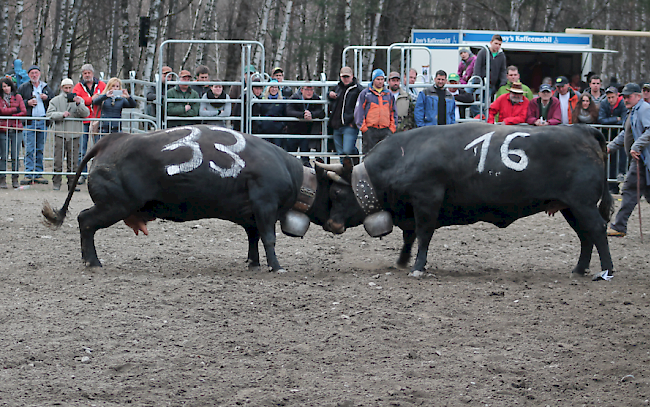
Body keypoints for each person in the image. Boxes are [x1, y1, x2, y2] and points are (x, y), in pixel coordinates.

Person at [606, 83, 650, 237]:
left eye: (628, 96)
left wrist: (637, 146)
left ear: (638, 96)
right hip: (641, 161)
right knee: (631, 191)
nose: (625, 99)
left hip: (644, 160)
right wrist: (610, 147)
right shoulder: (633, 111)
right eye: (623, 96)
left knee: (630, 191)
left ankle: (619, 226)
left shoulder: (644, 109)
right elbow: (626, 134)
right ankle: (619, 226)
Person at [46, 78, 89, 192]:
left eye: (70, 87)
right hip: (60, 133)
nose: (68, 90)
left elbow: (86, 113)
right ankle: (56, 183)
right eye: (66, 88)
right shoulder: (55, 100)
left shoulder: (79, 100)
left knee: (73, 162)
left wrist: (79, 104)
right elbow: (49, 114)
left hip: (75, 134)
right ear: (61, 88)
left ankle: (72, 184)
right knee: (58, 161)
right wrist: (61, 114)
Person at [17, 65, 53, 185]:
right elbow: (18, 102)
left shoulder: (45, 87)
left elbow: (53, 100)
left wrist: (46, 98)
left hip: (42, 121)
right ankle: (28, 174)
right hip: (29, 121)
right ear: (28, 75)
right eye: (32, 73)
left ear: (40, 74)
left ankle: (38, 174)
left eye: (36, 73)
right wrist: (27, 102)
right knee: (29, 149)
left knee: (40, 149)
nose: (34, 75)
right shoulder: (23, 87)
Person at [73, 64, 106, 184]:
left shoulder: (102, 85)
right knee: (82, 149)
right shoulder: (78, 86)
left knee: (99, 148)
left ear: (93, 73)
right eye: (85, 73)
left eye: (89, 73)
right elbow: (78, 100)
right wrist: (92, 99)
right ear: (82, 75)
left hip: (98, 119)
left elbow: (105, 96)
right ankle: (82, 174)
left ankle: (97, 173)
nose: (87, 75)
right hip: (84, 120)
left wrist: (95, 99)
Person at [354, 69, 396, 153]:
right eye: (378, 79)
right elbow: (359, 112)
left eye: (382, 79)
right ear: (373, 80)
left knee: (385, 154)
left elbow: (393, 112)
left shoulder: (389, 95)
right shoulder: (365, 94)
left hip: (385, 130)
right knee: (369, 154)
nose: (380, 82)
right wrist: (364, 128)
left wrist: (392, 128)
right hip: (370, 130)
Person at [286, 83, 324, 166]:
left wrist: (311, 114)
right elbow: (289, 111)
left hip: (307, 132)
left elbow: (321, 112)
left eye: (311, 90)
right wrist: (302, 115)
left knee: (305, 157)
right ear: (302, 90)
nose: (309, 92)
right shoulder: (294, 97)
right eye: (307, 89)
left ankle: (306, 173)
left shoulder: (315, 98)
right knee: (291, 156)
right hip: (293, 131)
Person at [600, 86, 628, 193]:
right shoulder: (604, 103)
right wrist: (616, 119)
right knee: (610, 162)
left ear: (617, 95)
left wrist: (610, 121)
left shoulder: (623, 104)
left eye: (612, 97)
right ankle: (612, 187)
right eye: (608, 98)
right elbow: (601, 120)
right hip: (609, 136)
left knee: (621, 160)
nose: (610, 100)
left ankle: (621, 179)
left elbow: (624, 121)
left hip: (621, 136)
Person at [328, 66, 362, 156]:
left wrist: (354, 122)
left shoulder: (358, 89)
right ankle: (345, 169)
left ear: (352, 76)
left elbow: (362, 107)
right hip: (336, 125)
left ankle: (355, 157)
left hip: (349, 125)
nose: (345, 79)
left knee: (347, 150)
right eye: (344, 77)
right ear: (340, 77)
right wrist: (329, 94)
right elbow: (329, 95)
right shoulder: (337, 87)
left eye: (347, 76)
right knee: (340, 152)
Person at [0, 77, 26, 189]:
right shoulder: (0, 99)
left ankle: (15, 179)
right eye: (4, 86)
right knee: (4, 156)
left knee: (15, 155)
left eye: (8, 86)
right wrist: (15, 110)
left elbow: (24, 111)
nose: (6, 88)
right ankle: (2, 179)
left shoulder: (18, 97)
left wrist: (12, 116)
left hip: (16, 129)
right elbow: (2, 111)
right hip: (3, 129)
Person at [474, 34, 507, 101]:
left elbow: (503, 70)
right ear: (491, 42)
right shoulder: (483, 52)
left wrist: (503, 83)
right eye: (496, 43)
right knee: (469, 94)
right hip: (478, 82)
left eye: (499, 44)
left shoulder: (502, 56)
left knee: (486, 102)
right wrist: (478, 81)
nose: (497, 46)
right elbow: (477, 67)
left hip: (491, 85)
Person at [258, 79, 286, 146]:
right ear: (268, 88)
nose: (274, 89)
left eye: (276, 87)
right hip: (265, 130)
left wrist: (281, 125)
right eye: (272, 87)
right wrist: (262, 125)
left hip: (277, 130)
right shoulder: (262, 99)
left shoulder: (282, 101)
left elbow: (285, 113)